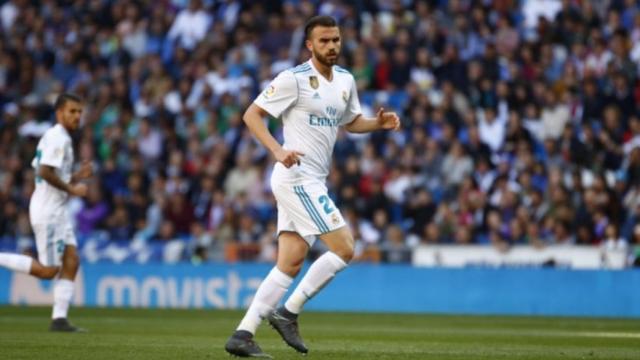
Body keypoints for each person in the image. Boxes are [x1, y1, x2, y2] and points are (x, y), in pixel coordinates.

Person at [224, 15, 400, 358]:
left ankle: (242, 335)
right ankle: (288, 313)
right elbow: (251, 114)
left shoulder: (346, 80)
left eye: (335, 39)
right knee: (345, 248)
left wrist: (377, 124)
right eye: (324, 41)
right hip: (296, 178)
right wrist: (277, 150)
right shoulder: (293, 80)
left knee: (289, 263)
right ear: (310, 45)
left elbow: (350, 123)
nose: (332, 46)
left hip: (313, 179)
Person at [0, 93, 92, 332]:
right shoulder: (57, 138)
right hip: (49, 211)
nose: (77, 116)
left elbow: (51, 173)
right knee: (48, 270)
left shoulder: (57, 137)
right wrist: (73, 187)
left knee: (72, 260)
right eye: (72, 111)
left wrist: (75, 176)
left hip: (57, 210)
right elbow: (44, 172)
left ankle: (59, 319)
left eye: (79, 112)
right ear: (59, 112)